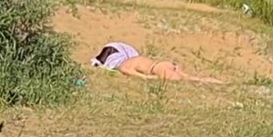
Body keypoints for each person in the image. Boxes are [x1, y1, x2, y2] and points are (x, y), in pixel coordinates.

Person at [90, 42, 222, 84]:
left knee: (183, 80)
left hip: (157, 68)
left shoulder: (124, 64)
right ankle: (216, 82)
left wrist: (147, 77)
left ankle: (214, 82)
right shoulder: (132, 57)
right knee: (191, 78)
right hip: (162, 64)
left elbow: (127, 71)